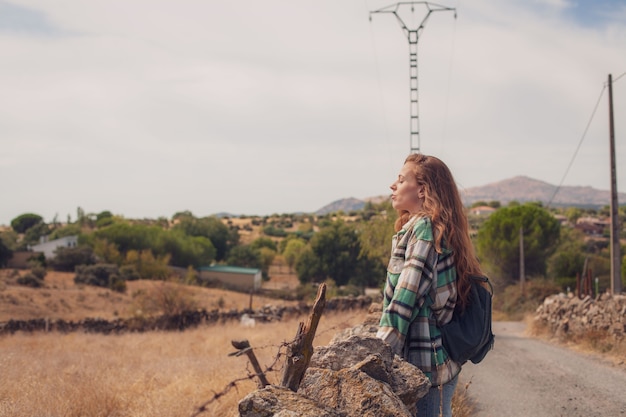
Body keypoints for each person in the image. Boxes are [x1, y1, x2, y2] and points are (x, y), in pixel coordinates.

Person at [376, 153, 483, 417]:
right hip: (430, 364)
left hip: (427, 368)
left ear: (422, 190)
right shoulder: (423, 227)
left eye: (401, 180)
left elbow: (405, 298)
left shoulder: (424, 228)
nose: (393, 186)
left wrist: (376, 354)